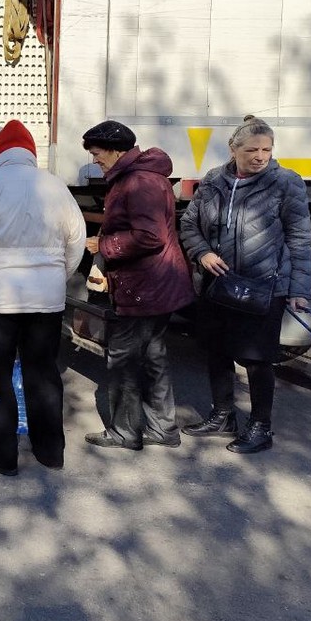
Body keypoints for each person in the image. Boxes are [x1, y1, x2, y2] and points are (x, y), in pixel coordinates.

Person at [0, 120, 86, 475]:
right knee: (43, 374)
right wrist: (55, 278)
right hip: (46, 302)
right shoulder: (56, 188)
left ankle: (3, 456)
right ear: (31, 154)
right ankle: (51, 452)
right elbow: (76, 244)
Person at [178, 117, 311, 454]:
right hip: (218, 284)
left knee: (256, 359)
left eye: (267, 149)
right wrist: (203, 252)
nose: (260, 156)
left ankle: (261, 427)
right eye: (252, 149)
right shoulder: (213, 180)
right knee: (216, 350)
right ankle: (223, 416)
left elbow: (300, 239)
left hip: (264, 287)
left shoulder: (286, 183)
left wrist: (298, 290)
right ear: (233, 150)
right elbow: (189, 224)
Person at [79, 121, 194, 451]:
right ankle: (163, 426)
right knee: (153, 355)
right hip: (156, 281)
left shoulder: (138, 181)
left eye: (98, 154)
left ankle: (126, 432)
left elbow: (149, 236)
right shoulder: (142, 176)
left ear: (116, 151)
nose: (95, 160)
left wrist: (105, 245)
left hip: (145, 284)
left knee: (124, 358)